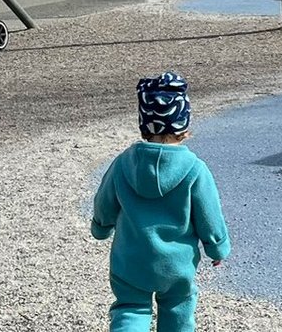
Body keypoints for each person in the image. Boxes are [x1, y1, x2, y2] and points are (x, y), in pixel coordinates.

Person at [91, 72, 230, 332]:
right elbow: (210, 216)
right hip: (176, 265)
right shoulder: (195, 170)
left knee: (130, 308)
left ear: (144, 126)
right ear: (185, 128)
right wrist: (217, 249)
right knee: (178, 309)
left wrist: (101, 227)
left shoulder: (123, 164)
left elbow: (104, 203)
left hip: (131, 260)